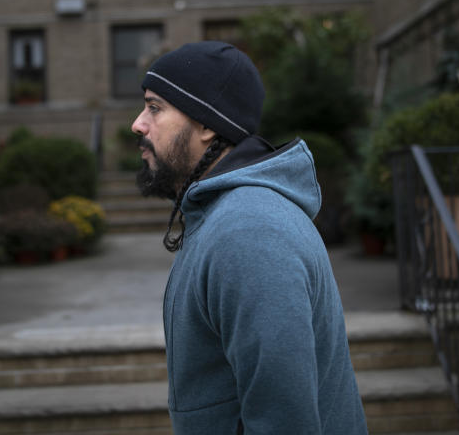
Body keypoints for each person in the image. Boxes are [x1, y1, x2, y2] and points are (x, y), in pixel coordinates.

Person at [131, 41, 368, 435]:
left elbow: (284, 422)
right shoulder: (227, 216)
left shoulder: (250, 233)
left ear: (207, 125)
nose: (138, 123)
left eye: (155, 108)